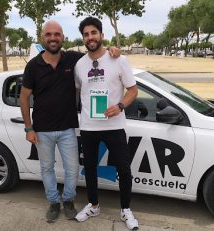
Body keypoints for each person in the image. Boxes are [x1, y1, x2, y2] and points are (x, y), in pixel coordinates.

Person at [20, 20, 120, 223]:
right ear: (43, 38)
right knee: (46, 168)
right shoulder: (33, 66)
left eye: (57, 34)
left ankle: (68, 200)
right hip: (42, 130)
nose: (53, 38)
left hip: (67, 128)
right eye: (49, 34)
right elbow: (23, 98)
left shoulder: (73, 59)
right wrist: (28, 127)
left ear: (63, 37)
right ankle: (53, 203)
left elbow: (95, 53)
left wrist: (111, 49)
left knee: (72, 168)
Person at [74, 17, 139, 230]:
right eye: (86, 34)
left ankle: (126, 210)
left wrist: (120, 106)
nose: (90, 37)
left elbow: (133, 90)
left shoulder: (119, 60)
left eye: (93, 32)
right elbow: (78, 91)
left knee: (124, 169)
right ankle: (93, 205)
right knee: (90, 168)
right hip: (89, 126)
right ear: (83, 38)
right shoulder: (79, 65)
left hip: (115, 126)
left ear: (101, 35)